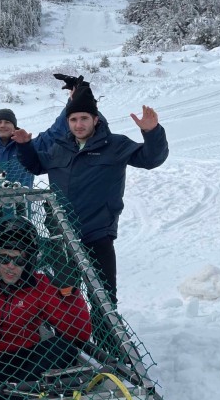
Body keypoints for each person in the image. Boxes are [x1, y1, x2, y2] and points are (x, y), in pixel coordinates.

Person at [14, 84, 169, 302]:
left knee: (103, 298)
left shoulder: (115, 145)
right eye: (73, 119)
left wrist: (152, 132)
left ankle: (105, 334)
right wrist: (24, 146)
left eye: (84, 118)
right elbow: (36, 165)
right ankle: (72, 336)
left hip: (97, 234)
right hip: (62, 234)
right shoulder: (60, 147)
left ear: (95, 119)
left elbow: (151, 159)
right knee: (65, 296)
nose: (79, 124)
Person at [0, 218, 92, 393]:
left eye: (19, 260)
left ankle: (8, 391)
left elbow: (78, 334)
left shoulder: (39, 286)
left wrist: (69, 293)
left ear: (29, 261)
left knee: (64, 348)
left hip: (25, 362)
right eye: (4, 258)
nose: (10, 267)